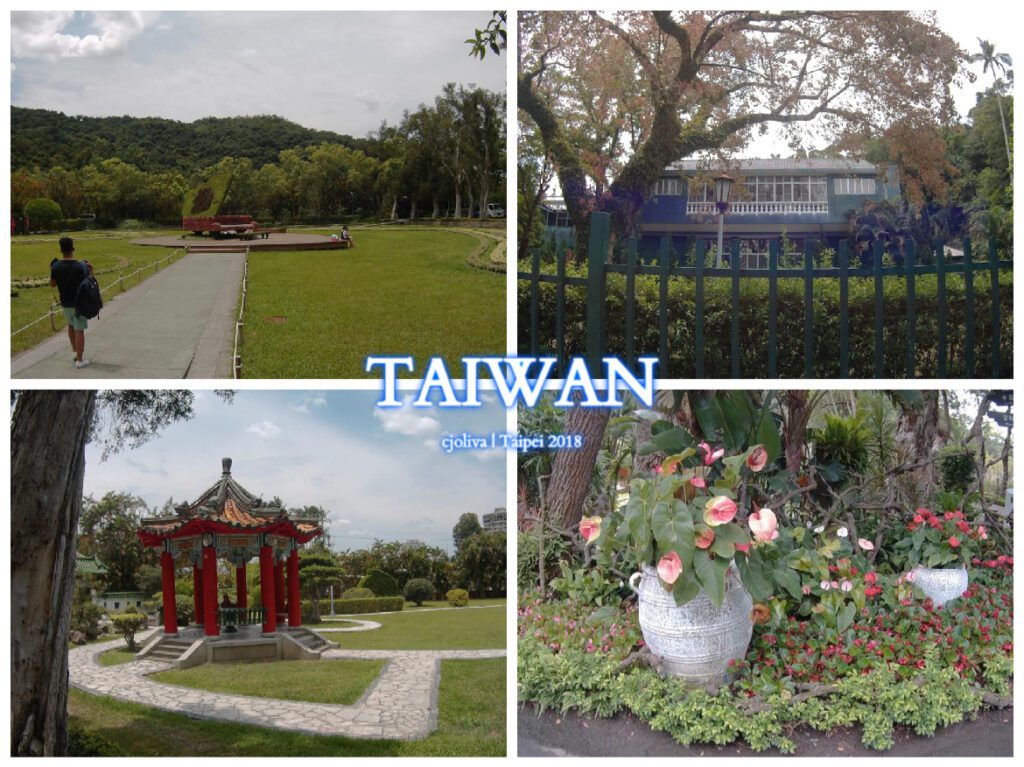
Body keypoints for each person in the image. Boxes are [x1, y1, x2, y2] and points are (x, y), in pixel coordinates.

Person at [49, 236, 90, 368]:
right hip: (79, 303)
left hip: (65, 302)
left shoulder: (56, 266)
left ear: (61, 250)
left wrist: (52, 270)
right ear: (73, 248)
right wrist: (91, 269)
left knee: (71, 326)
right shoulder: (80, 266)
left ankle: (75, 351)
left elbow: (52, 284)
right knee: (79, 330)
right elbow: (88, 282)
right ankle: (80, 360)